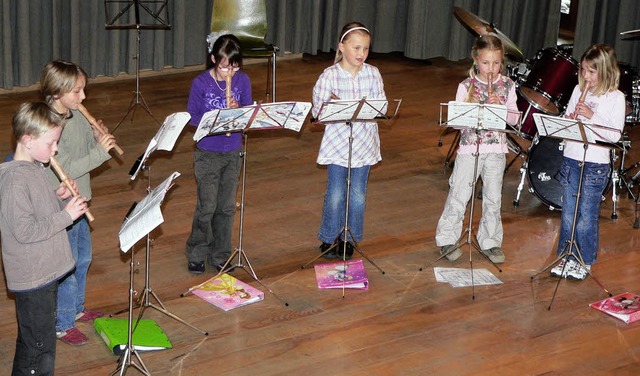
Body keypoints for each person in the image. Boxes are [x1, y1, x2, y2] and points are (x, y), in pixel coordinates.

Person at [0, 102, 88, 375]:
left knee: (33, 341)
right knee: (40, 348)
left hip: (43, 274)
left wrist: (58, 200)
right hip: (33, 277)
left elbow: (38, 213)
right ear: (27, 140)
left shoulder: (34, 168)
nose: (56, 149)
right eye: (51, 143)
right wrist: (68, 216)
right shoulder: (15, 181)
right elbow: (24, 231)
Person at [41, 60, 117, 345]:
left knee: (83, 259)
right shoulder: (49, 125)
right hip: (63, 205)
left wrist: (96, 135)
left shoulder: (75, 115)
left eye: (84, 89)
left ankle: (76, 308)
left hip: (81, 199)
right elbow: (68, 166)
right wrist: (100, 152)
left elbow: (84, 149)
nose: (83, 97)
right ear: (58, 92)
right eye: (77, 91)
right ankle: (62, 323)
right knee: (67, 266)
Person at [435, 35, 519, 264]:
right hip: (470, 149)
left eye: (496, 63)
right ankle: (447, 238)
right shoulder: (465, 86)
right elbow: (457, 123)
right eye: (485, 63)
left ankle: (490, 241)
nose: (491, 69)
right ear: (475, 61)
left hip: (496, 150)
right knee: (459, 195)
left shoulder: (508, 86)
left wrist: (500, 107)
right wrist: (472, 109)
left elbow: (513, 119)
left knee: (493, 197)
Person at [311, 22, 387, 260]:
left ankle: (349, 237)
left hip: (364, 144)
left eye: (365, 48)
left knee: (358, 194)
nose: (361, 54)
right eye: (356, 48)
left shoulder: (373, 73)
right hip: (337, 145)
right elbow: (318, 112)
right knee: (335, 192)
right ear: (341, 47)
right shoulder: (329, 76)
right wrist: (332, 107)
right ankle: (329, 236)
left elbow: (381, 105)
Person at [550, 44, 625, 280]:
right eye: (583, 70)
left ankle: (584, 261)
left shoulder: (615, 98)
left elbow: (614, 135)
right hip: (572, 158)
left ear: (606, 72)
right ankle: (566, 256)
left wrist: (592, 116)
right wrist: (568, 121)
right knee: (569, 213)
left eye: (592, 72)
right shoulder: (577, 90)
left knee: (586, 215)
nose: (586, 76)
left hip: (595, 164)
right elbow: (566, 124)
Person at [185, 34, 252, 273]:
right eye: (224, 67)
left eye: (234, 66)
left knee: (225, 207)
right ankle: (197, 250)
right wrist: (213, 119)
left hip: (233, 151)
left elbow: (248, 115)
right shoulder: (201, 83)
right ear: (213, 59)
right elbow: (191, 117)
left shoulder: (242, 81)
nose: (230, 73)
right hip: (207, 152)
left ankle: (221, 253)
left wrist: (238, 110)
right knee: (207, 206)